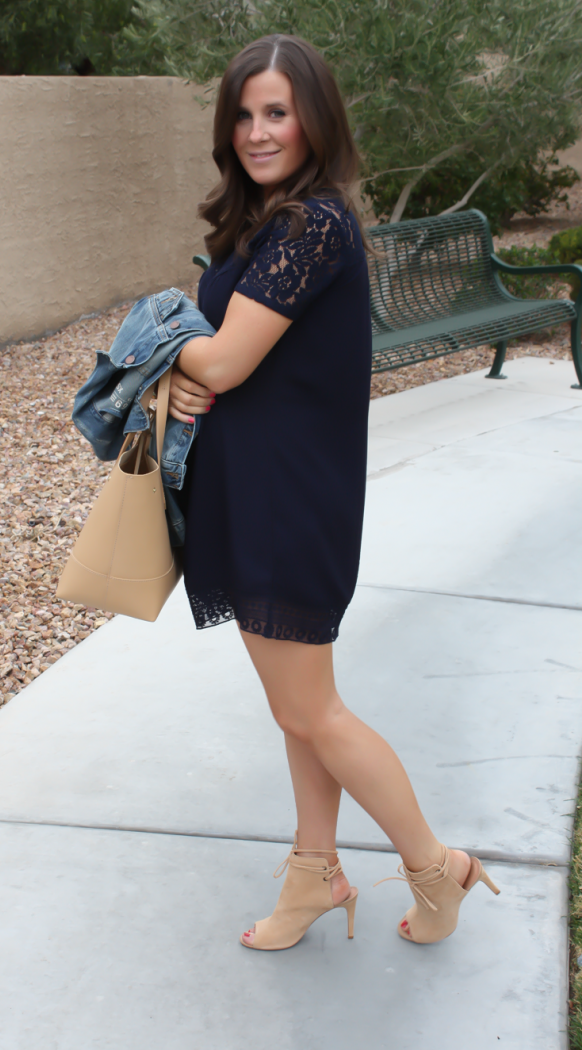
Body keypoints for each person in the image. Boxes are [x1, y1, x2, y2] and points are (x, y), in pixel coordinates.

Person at [168, 33, 499, 951]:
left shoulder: (312, 224)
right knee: (296, 706)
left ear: (316, 117)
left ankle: (441, 866)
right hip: (253, 491)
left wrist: (158, 341)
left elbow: (226, 355)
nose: (257, 131)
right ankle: (316, 873)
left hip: (289, 500)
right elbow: (223, 352)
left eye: (277, 111)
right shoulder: (264, 222)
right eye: (244, 113)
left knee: (314, 710)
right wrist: (194, 363)